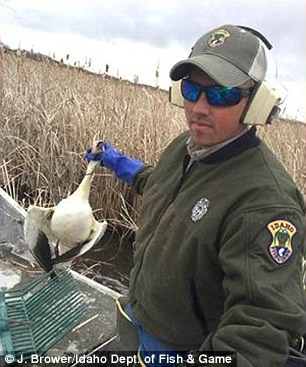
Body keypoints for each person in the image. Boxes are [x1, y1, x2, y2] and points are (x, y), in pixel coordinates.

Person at [86, 24, 306, 367]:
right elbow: (165, 187)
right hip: (140, 315)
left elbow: (261, 325)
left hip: (181, 351)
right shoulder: (187, 147)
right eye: (192, 89)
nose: (199, 108)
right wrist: (121, 165)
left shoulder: (264, 201)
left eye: (222, 94)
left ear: (257, 104)